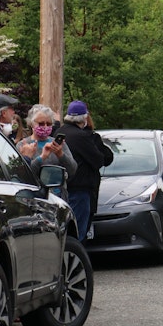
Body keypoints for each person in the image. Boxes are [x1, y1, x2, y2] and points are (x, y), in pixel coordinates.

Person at [55, 100, 113, 241]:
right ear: (85, 117)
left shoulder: (60, 132)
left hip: (61, 187)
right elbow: (99, 160)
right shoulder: (83, 137)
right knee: (78, 232)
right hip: (80, 189)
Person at [18, 104, 77, 199]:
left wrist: (60, 154)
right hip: (35, 196)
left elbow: (72, 169)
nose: (45, 127)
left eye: (49, 124)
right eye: (41, 124)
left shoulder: (58, 144)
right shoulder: (24, 145)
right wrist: (41, 158)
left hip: (58, 196)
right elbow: (24, 176)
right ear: (31, 124)